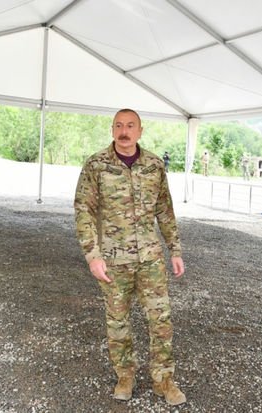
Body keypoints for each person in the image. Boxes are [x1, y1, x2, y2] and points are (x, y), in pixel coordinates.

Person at [74, 108, 186, 406]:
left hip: (150, 259)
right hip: (113, 260)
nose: (124, 131)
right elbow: (83, 211)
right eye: (119, 126)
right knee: (118, 322)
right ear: (113, 129)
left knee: (161, 320)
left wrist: (174, 249)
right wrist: (92, 255)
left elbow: (165, 210)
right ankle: (125, 376)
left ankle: (164, 380)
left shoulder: (154, 165)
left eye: (130, 126)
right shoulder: (96, 165)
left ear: (140, 130)